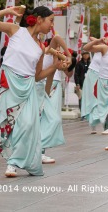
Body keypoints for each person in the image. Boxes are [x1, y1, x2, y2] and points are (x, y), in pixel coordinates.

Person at [0, 5, 53, 178]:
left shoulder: (40, 47)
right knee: (11, 123)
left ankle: (27, 161)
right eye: (50, 21)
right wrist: (7, 12)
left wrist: (56, 66)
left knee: (28, 124)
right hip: (9, 82)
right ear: (39, 19)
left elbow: (37, 75)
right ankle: (12, 163)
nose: (52, 25)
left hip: (28, 86)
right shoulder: (15, 30)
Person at [36, 35, 71, 164]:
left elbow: (67, 72)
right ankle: (36, 151)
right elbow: (56, 38)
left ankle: (41, 150)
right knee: (37, 121)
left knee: (52, 119)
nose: (58, 48)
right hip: (36, 87)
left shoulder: (56, 58)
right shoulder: (43, 52)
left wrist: (68, 59)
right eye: (56, 47)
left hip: (49, 88)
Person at [81, 38, 106, 134]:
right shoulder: (97, 49)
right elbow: (88, 44)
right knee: (91, 99)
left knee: (102, 100)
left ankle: (105, 125)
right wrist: (100, 40)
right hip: (91, 75)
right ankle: (93, 126)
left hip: (102, 77)